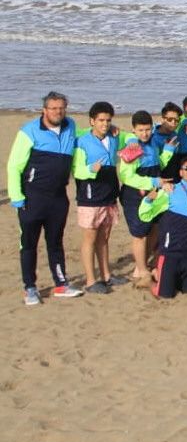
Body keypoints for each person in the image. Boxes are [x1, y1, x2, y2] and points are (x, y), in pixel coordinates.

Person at [7, 91, 83, 303]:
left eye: (61, 108)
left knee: (55, 242)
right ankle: (30, 288)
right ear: (44, 110)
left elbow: (82, 139)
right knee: (29, 244)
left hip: (58, 197)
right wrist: (17, 197)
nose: (58, 112)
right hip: (32, 197)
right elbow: (14, 166)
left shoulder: (71, 126)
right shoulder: (29, 131)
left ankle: (61, 284)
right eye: (53, 108)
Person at [114, 109, 175, 288]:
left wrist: (168, 151)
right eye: (140, 130)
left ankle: (142, 264)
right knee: (139, 233)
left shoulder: (153, 143)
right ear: (134, 130)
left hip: (154, 193)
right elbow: (127, 177)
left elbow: (158, 164)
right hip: (135, 195)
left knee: (154, 228)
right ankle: (141, 269)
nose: (145, 133)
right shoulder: (132, 147)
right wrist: (153, 182)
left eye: (147, 129)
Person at [71, 101, 124, 294]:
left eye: (108, 120)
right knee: (90, 238)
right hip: (90, 196)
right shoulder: (82, 141)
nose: (105, 124)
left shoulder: (113, 137)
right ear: (92, 121)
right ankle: (91, 280)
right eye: (101, 120)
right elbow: (77, 170)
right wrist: (91, 169)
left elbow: (130, 138)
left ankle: (106, 275)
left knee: (104, 237)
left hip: (109, 194)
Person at [138, 155, 187, 299]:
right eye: (186, 168)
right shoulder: (170, 191)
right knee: (165, 295)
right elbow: (145, 215)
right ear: (180, 172)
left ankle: (161, 276)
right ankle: (149, 281)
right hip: (171, 253)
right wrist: (149, 198)